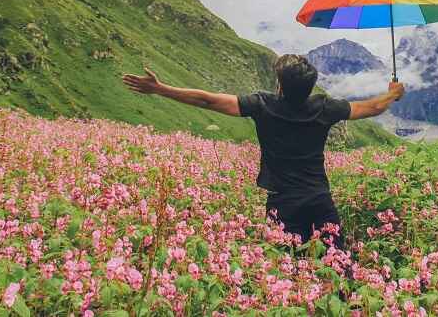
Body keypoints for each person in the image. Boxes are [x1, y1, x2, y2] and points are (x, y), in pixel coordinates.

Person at [122, 54, 405, 251]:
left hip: (282, 201)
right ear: (309, 87)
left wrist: (160, 89)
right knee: (337, 263)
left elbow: (206, 101)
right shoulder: (324, 107)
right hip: (319, 197)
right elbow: (372, 107)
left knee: (286, 267)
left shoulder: (263, 105)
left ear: (280, 86)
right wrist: (392, 94)